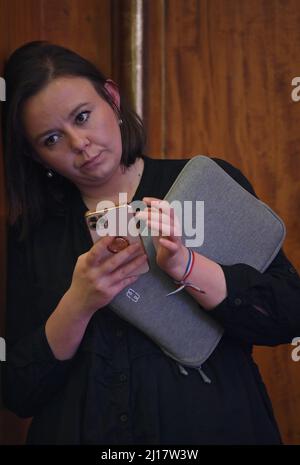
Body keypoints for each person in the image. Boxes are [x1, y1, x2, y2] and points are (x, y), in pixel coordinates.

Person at [2, 41, 300, 445]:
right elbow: (18, 390)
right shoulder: (34, 234)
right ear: (36, 156)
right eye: (51, 139)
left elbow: (287, 313)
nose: (79, 143)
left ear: (112, 97)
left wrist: (188, 267)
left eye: (83, 116)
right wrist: (79, 301)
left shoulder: (203, 185)